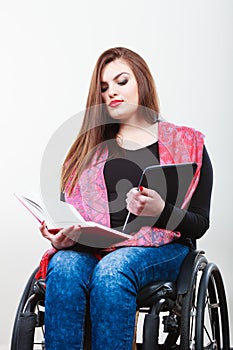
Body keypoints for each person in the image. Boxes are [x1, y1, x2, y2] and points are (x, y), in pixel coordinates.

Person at [38, 47, 213, 350]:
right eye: (104, 88)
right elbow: (69, 214)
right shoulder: (88, 151)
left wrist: (162, 211)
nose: (112, 93)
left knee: (114, 268)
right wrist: (61, 237)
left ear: (141, 82)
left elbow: (200, 224)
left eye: (121, 82)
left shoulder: (186, 143)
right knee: (64, 266)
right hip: (96, 249)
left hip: (164, 250)